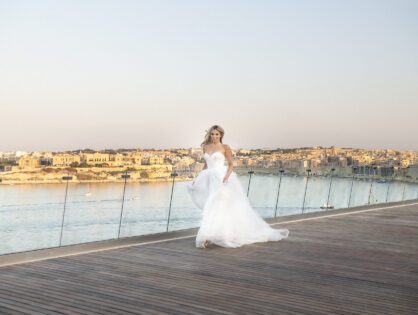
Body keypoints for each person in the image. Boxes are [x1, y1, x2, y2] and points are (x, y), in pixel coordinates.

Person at [187, 125, 289, 248]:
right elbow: (205, 165)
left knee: (216, 207)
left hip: (221, 179)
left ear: (221, 135)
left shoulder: (225, 148)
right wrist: (198, 178)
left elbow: (230, 165)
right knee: (211, 208)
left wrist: (226, 177)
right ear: (209, 135)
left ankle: (208, 236)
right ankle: (213, 234)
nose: (214, 136)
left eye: (216, 134)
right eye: (212, 134)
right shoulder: (205, 147)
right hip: (208, 179)